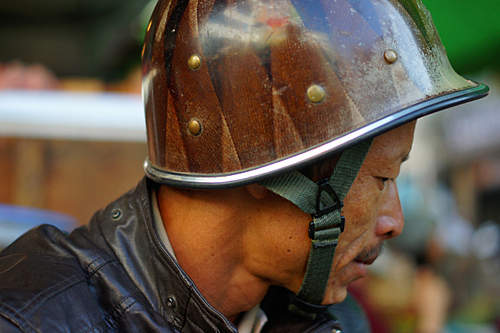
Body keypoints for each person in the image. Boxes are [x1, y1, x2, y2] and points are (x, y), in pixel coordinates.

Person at [0, 0, 488, 332]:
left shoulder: (325, 314)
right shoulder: (34, 319)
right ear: (269, 169)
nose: (394, 221)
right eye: (382, 178)